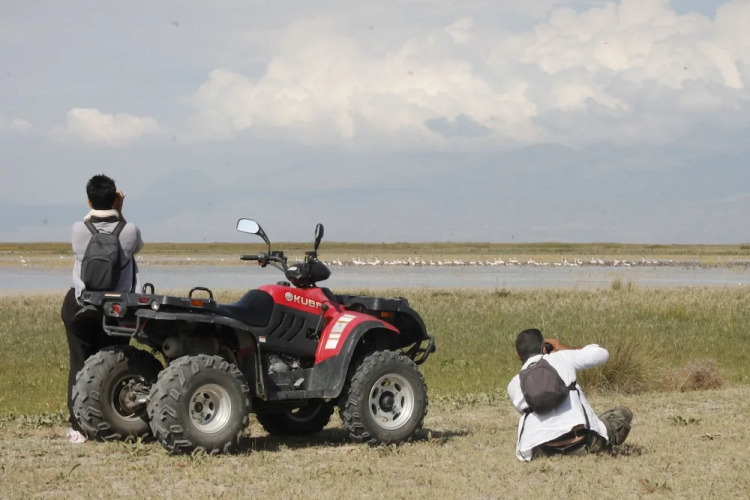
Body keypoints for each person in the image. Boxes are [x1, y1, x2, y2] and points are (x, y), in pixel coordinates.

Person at [60, 175, 143, 443]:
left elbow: (90, 225)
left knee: (79, 362)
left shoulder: (78, 229)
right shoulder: (129, 230)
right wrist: (119, 211)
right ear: (116, 198)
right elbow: (135, 247)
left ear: (88, 200)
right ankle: (114, 419)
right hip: (117, 308)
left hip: (81, 304)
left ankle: (78, 427)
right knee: (116, 363)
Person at [507, 328, 632, 461]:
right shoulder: (562, 358)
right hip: (582, 442)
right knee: (623, 413)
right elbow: (602, 354)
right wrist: (563, 348)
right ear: (544, 348)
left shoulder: (514, 385)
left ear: (518, 355)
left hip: (543, 450)